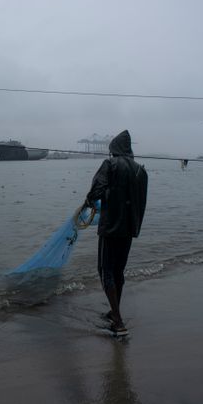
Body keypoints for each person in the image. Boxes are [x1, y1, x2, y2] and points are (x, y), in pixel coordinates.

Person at [85, 130, 147, 336]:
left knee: (105, 270)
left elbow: (96, 192)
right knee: (119, 270)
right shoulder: (141, 171)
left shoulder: (109, 165)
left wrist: (89, 202)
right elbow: (141, 203)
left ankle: (118, 321)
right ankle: (114, 312)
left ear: (114, 151)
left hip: (111, 228)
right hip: (129, 229)